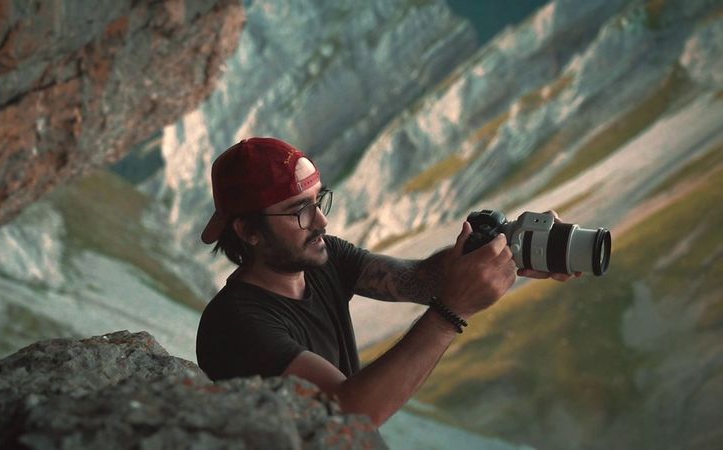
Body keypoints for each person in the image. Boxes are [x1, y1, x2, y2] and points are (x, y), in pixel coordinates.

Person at [195, 137, 573, 427]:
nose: (321, 222)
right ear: (248, 230)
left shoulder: (324, 260)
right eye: (299, 210)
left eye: (318, 200)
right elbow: (349, 409)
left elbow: (417, 280)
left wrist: (507, 247)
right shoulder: (235, 324)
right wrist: (449, 314)